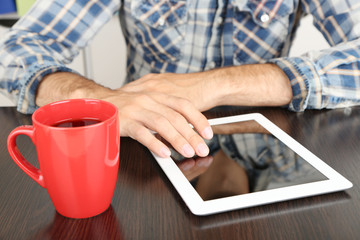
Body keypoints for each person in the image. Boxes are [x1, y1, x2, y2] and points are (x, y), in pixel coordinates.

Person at [0, 0, 359, 159]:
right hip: (140, 151)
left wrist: (215, 84)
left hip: (266, 145)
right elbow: (15, 52)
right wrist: (98, 100)